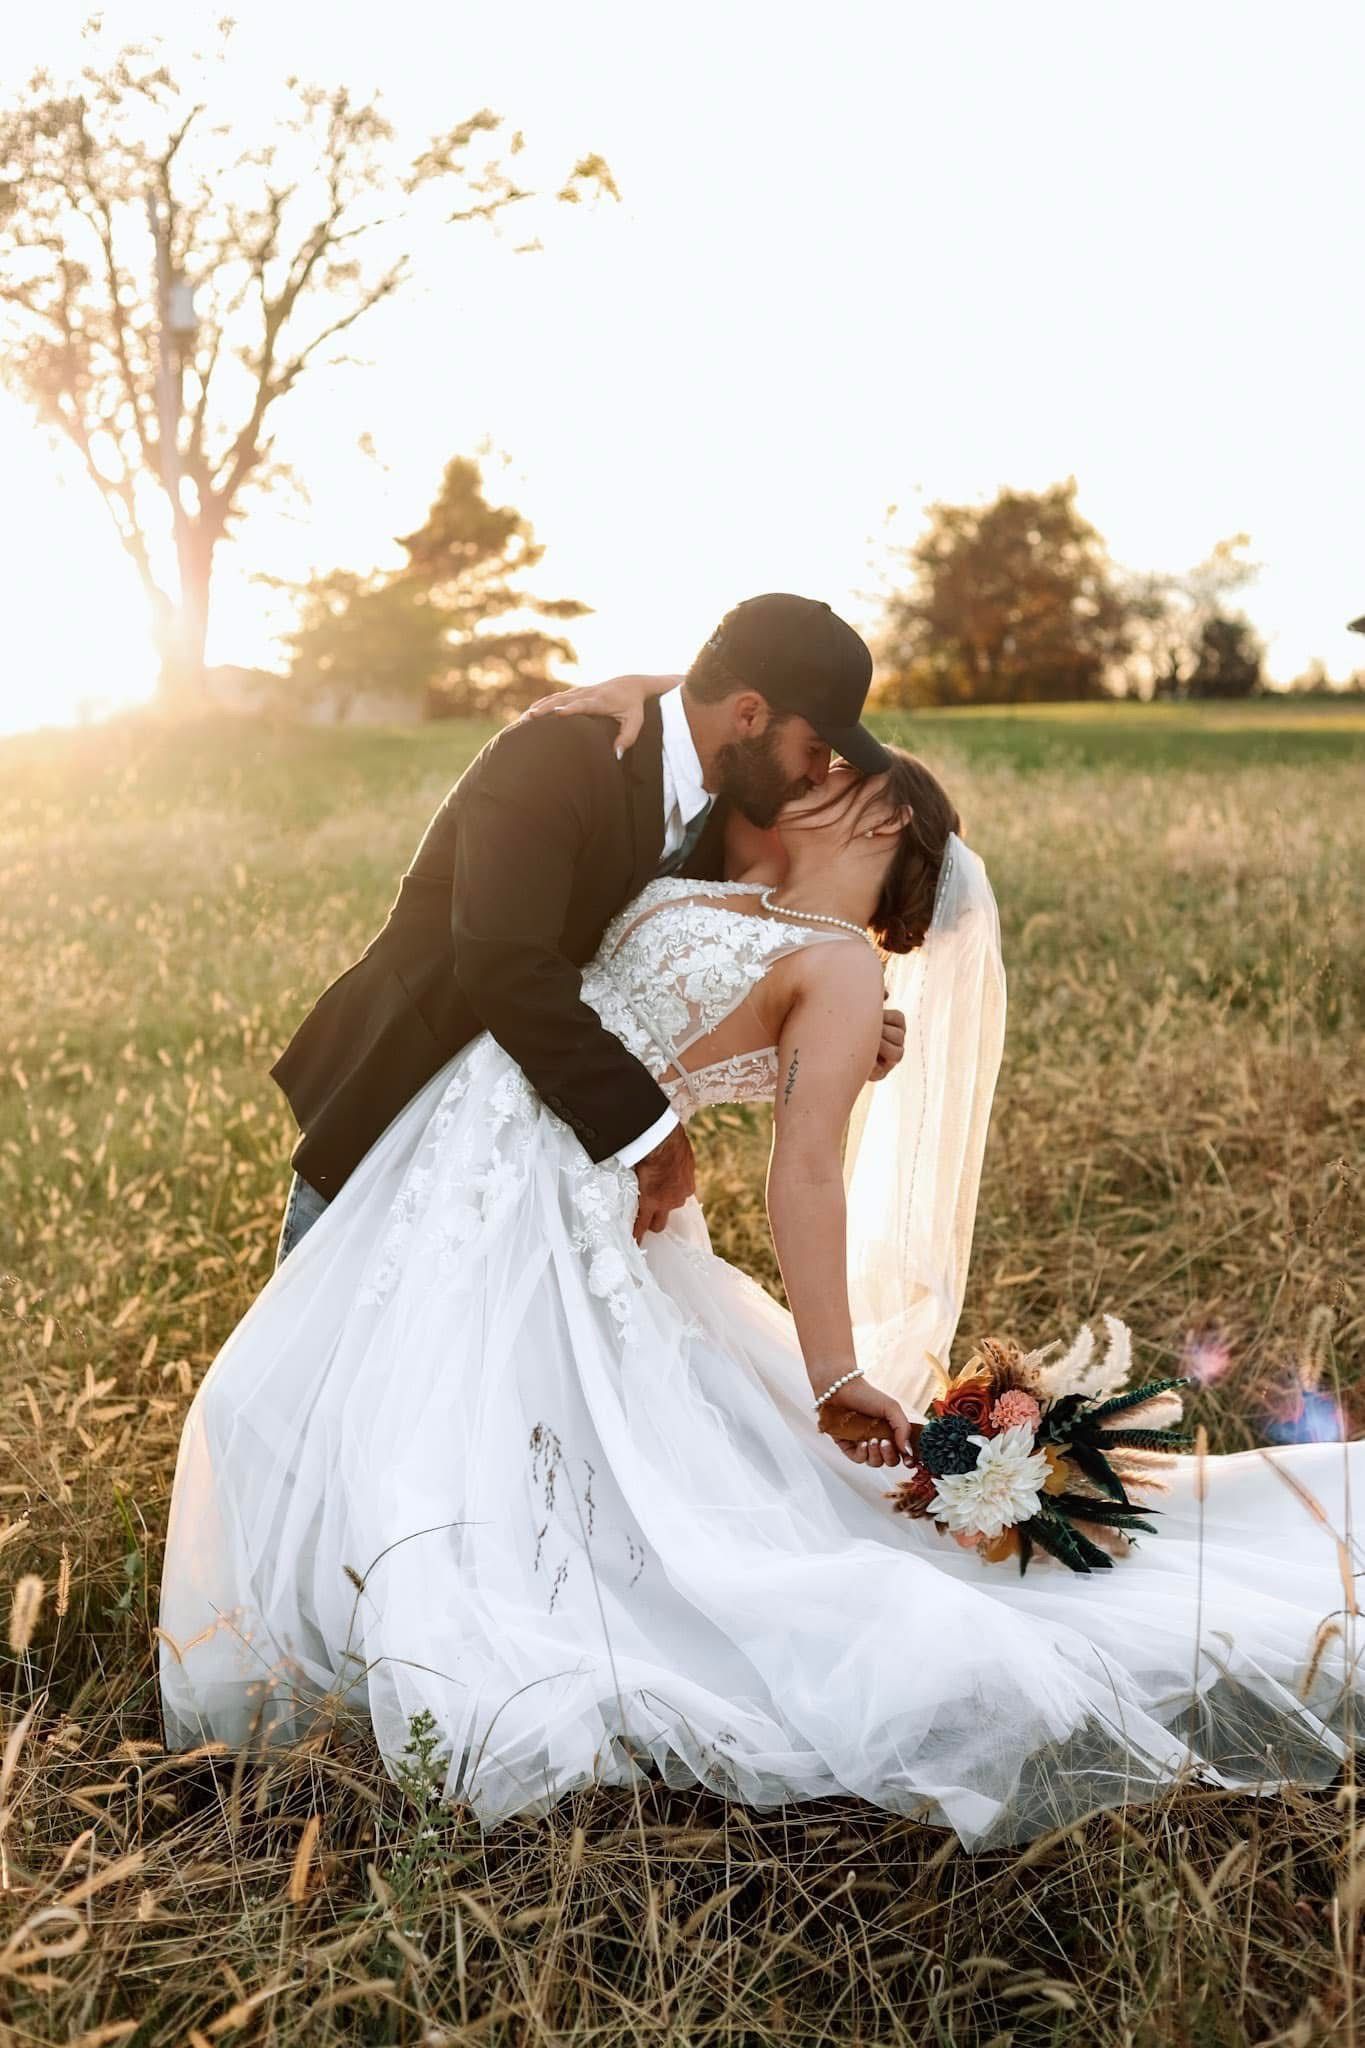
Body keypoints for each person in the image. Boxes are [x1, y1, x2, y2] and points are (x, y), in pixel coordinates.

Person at [158, 706, 1365, 1851]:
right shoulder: (716, 884)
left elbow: (807, 1178)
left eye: (849, 776)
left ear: (890, 823)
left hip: (560, 1198)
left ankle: (395, 1653)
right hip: (470, 1154)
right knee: (328, 1401)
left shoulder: (843, 972)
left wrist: (835, 1367)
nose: (819, 773)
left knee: (461, 1433)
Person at [267, 593, 906, 1267]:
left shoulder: (731, 805)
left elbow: (697, 979)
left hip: (538, 1141)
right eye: (813, 748)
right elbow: (503, 962)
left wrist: (838, 1029)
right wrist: (649, 1136)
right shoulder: (554, 753)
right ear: (748, 714)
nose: (815, 772)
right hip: (406, 1085)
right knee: (322, 1340)